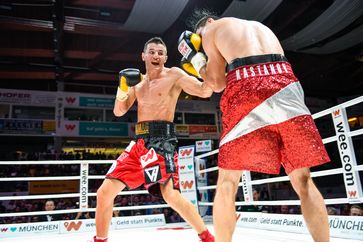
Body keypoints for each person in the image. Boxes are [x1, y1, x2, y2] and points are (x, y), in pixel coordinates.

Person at [177, 9, 331, 242]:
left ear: (207, 22)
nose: (201, 43)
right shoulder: (260, 27)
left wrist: (198, 62)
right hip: (287, 82)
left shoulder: (210, 30)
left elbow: (217, 83)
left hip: (246, 84)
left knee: (228, 182)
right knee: (303, 180)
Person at [93, 37, 214, 242]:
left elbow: (205, 90)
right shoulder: (136, 81)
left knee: (170, 195)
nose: (156, 55)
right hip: (139, 143)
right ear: (143, 56)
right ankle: (100, 240)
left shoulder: (174, 74)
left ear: (165, 57)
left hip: (162, 141)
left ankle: (206, 237)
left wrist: (198, 63)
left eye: (160, 52)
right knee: (104, 193)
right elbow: (119, 111)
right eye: (152, 51)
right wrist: (122, 88)